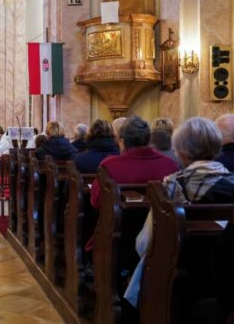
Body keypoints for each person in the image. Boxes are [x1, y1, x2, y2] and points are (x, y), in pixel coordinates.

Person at [125, 117, 234, 309]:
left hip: (182, 275)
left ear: (182, 152)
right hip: (226, 278)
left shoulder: (172, 186)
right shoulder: (231, 182)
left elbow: (144, 243)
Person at [86, 116, 178, 250]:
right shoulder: (170, 165)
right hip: (160, 239)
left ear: (122, 142)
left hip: (119, 238)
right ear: (148, 139)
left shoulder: (109, 165)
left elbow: (96, 201)